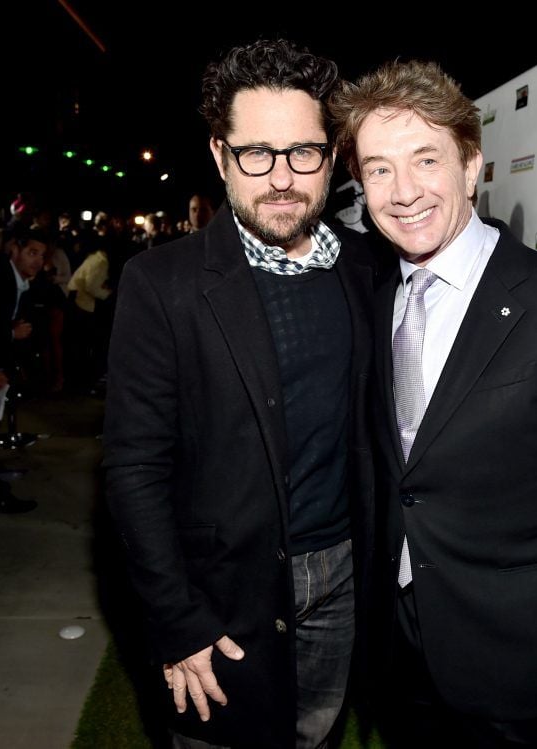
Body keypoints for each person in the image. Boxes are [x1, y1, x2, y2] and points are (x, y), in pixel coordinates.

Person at [330, 61, 537, 749]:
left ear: (471, 165)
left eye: (426, 159)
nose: (404, 191)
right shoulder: (370, 296)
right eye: (379, 169)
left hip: (524, 669)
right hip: (402, 651)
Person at [102, 39, 375, 749]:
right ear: (221, 156)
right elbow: (134, 466)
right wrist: (174, 616)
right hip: (221, 591)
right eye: (257, 153)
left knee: (316, 734)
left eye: (302, 153)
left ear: (331, 157)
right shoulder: (161, 284)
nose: (281, 178)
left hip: (344, 576)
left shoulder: (366, 271)